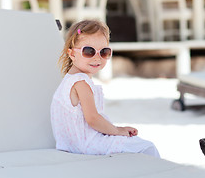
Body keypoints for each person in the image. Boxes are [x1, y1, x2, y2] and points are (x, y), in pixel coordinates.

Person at [51, 20, 160, 158]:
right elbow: (93, 119)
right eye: (89, 51)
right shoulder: (80, 83)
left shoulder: (69, 80)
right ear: (72, 54)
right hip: (87, 144)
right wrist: (118, 130)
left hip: (73, 145)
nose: (97, 57)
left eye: (104, 52)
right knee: (146, 147)